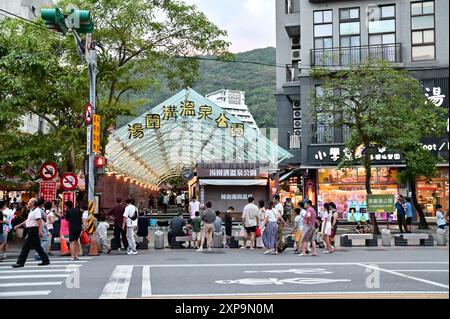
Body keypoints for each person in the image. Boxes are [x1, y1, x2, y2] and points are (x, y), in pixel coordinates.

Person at [11, 198, 50, 267]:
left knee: (26, 247)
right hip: (31, 230)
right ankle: (45, 260)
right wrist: (18, 225)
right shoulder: (31, 210)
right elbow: (28, 220)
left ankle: (20, 262)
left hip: (33, 230)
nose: (28, 202)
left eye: (29, 201)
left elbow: (39, 221)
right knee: (38, 247)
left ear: (33, 203)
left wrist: (40, 231)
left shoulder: (37, 210)